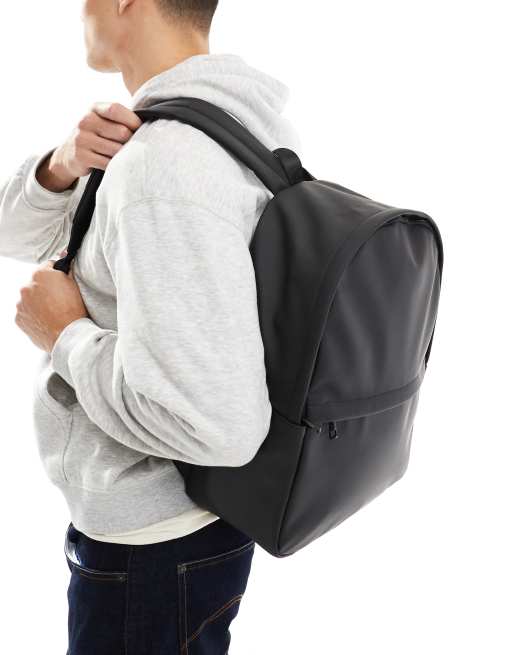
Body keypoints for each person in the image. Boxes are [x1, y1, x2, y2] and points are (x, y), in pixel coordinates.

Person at [0, 0, 302, 652]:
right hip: (191, 530)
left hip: (151, 551)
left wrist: (64, 333)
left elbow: (219, 426)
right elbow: (9, 232)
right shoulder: (226, 122)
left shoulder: (163, 162)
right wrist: (62, 166)